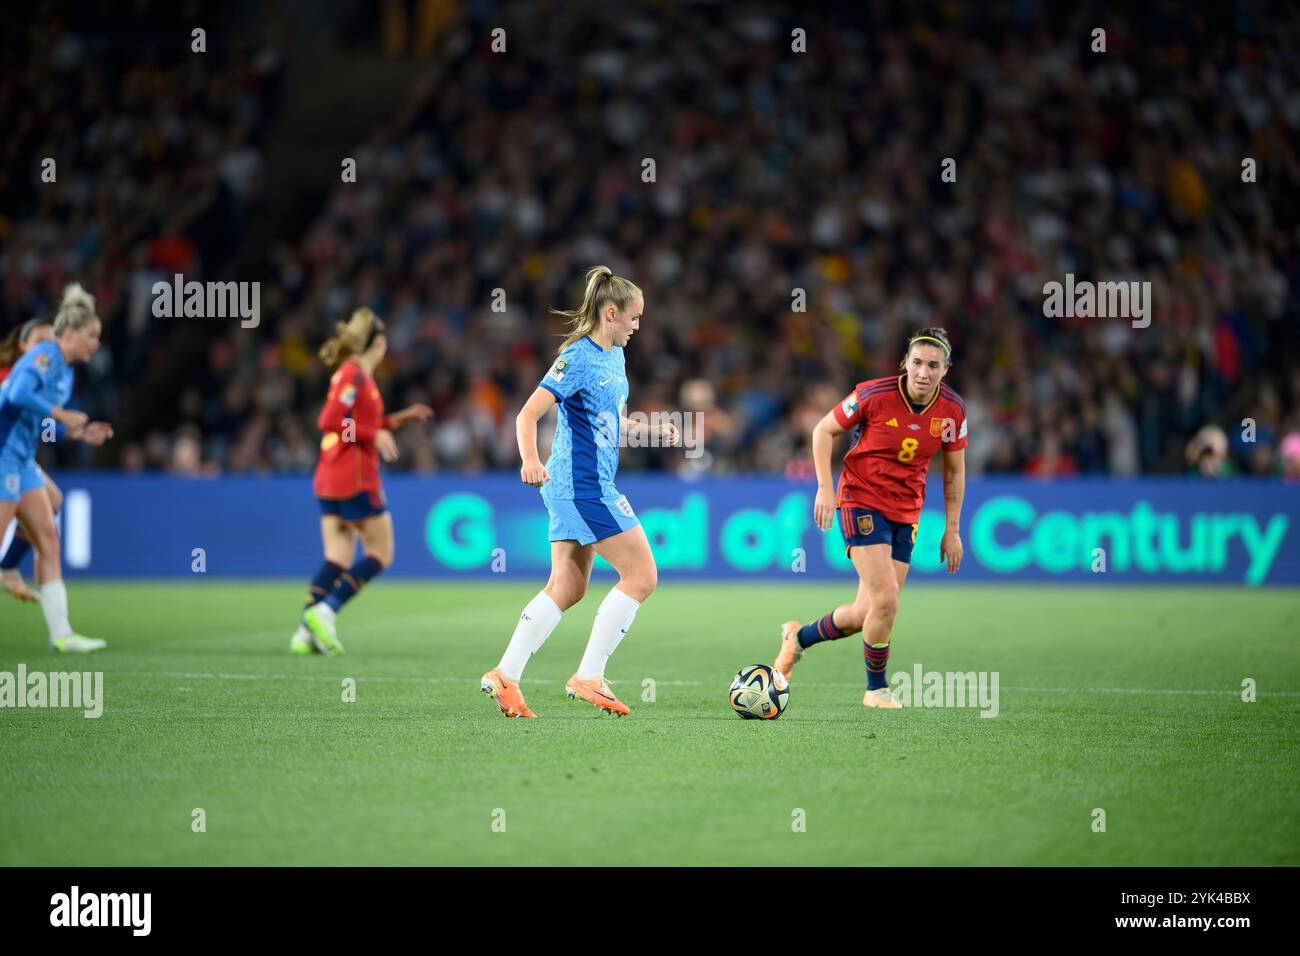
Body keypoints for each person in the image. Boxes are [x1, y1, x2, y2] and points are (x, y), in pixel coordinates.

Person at [481, 266, 678, 718]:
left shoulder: (615, 356)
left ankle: (506, 675)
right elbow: (527, 415)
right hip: (582, 487)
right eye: (634, 317)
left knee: (567, 586)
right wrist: (530, 460)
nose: (637, 326)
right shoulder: (578, 357)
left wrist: (648, 429)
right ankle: (590, 675)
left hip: (583, 486)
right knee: (642, 576)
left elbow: (607, 420)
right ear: (611, 313)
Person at [775, 328, 967, 708]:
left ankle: (798, 638)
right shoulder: (873, 394)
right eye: (917, 363)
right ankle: (876, 689)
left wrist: (953, 529)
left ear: (945, 369)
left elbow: (955, 471)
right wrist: (825, 487)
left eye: (933, 366)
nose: (923, 372)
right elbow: (823, 430)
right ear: (905, 363)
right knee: (887, 600)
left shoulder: (952, 410)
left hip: (906, 510)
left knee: (868, 611)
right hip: (861, 498)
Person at [293, 307, 432, 655]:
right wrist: (373, 435)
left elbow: (360, 423)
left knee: (337, 558)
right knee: (380, 553)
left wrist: (401, 419)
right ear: (380, 343)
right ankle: (325, 611)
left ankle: (304, 632)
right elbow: (329, 420)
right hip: (354, 478)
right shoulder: (354, 375)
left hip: (329, 478)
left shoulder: (354, 375)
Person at [0, 284, 113, 652]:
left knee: (48, 539)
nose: (96, 343)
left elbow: (36, 420)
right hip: (3, 454)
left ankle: (61, 634)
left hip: (20, 459)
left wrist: (77, 433)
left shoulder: (65, 371)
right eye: (92, 335)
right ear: (72, 333)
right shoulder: (46, 355)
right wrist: (61, 414)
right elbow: (15, 394)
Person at [0, 317, 62, 603]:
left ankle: (7, 566)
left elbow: (45, 431)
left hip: (20, 458)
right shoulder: (9, 376)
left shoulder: (45, 383)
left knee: (54, 500)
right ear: (23, 345)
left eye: (50, 343)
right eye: (40, 342)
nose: (46, 350)